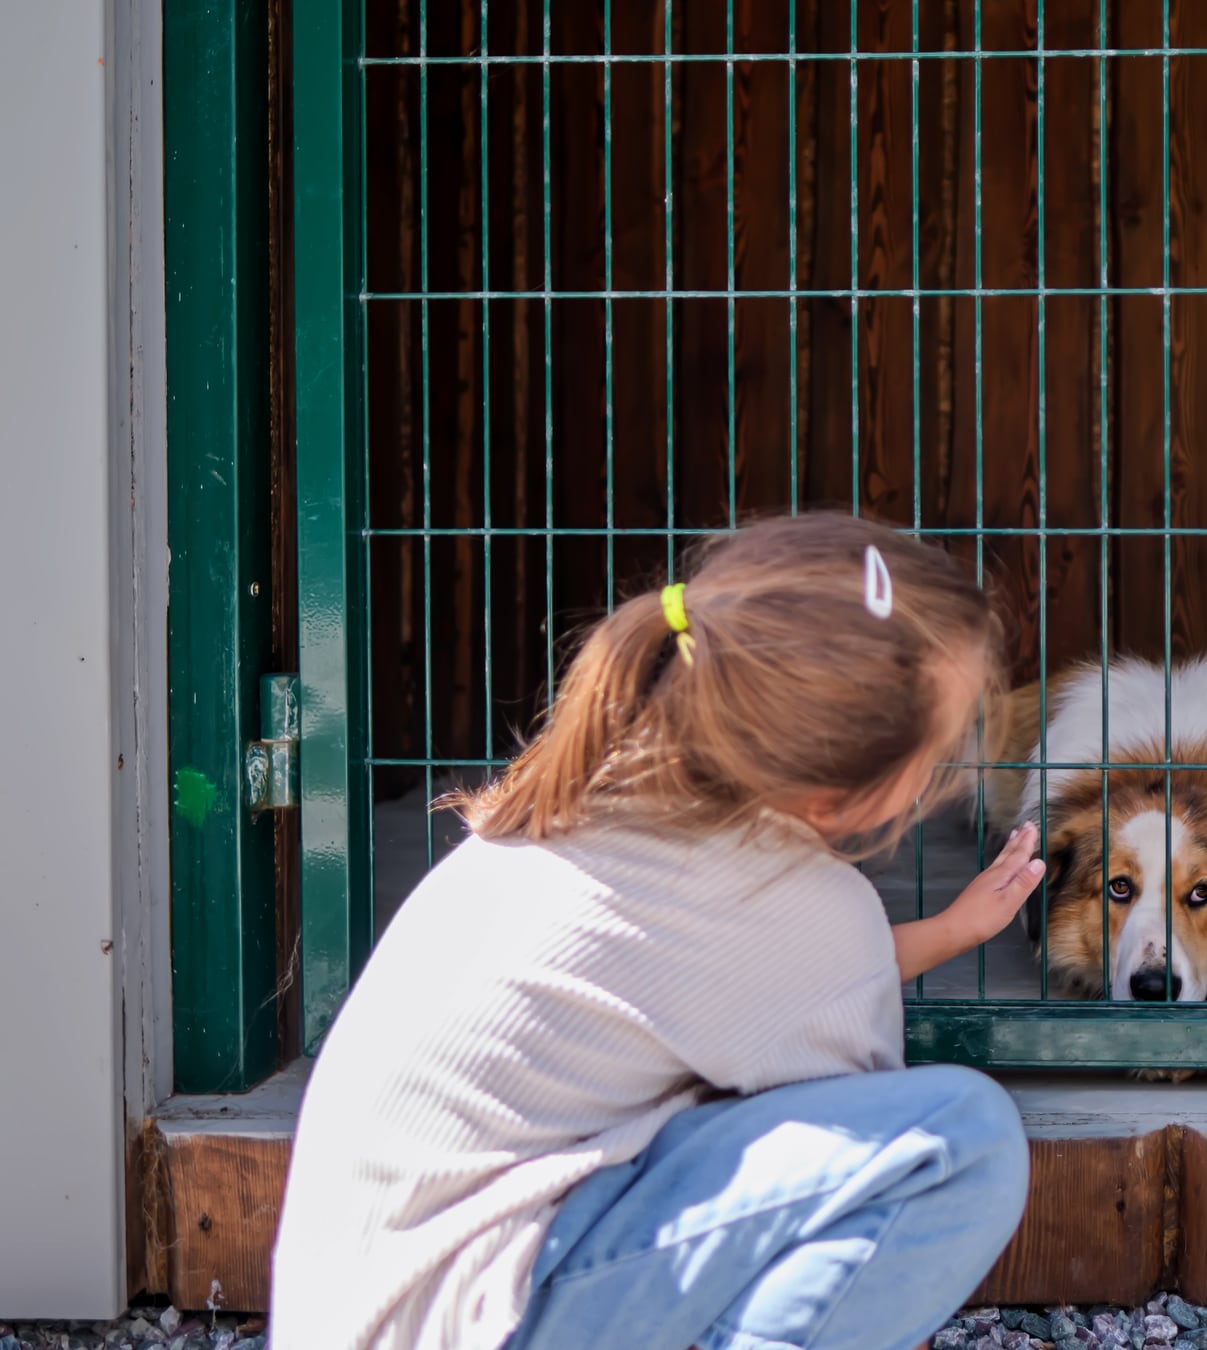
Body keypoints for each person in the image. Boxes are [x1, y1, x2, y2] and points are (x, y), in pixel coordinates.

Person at [271, 513, 1043, 1350]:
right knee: (956, 1138)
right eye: (939, 751)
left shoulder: (591, 796)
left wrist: (946, 932)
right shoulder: (802, 905)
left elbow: (744, 985)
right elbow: (840, 1137)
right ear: (835, 798)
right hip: (479, 1313)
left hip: (384, 1305)